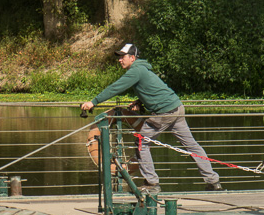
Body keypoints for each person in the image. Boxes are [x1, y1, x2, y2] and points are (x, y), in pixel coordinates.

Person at [80, 44, 221, 194]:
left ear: (132, 58)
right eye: (119, 57)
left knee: (141, 141)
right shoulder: (142, 69)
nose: (120, 60)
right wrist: (140, 102)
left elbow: (116, 88)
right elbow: (155, 89)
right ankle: (213, 181)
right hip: (176, 108)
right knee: (192, 146)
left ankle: (151, 183)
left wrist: (93, 102)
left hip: (164, 113)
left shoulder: (136, 71)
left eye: (123, 56)